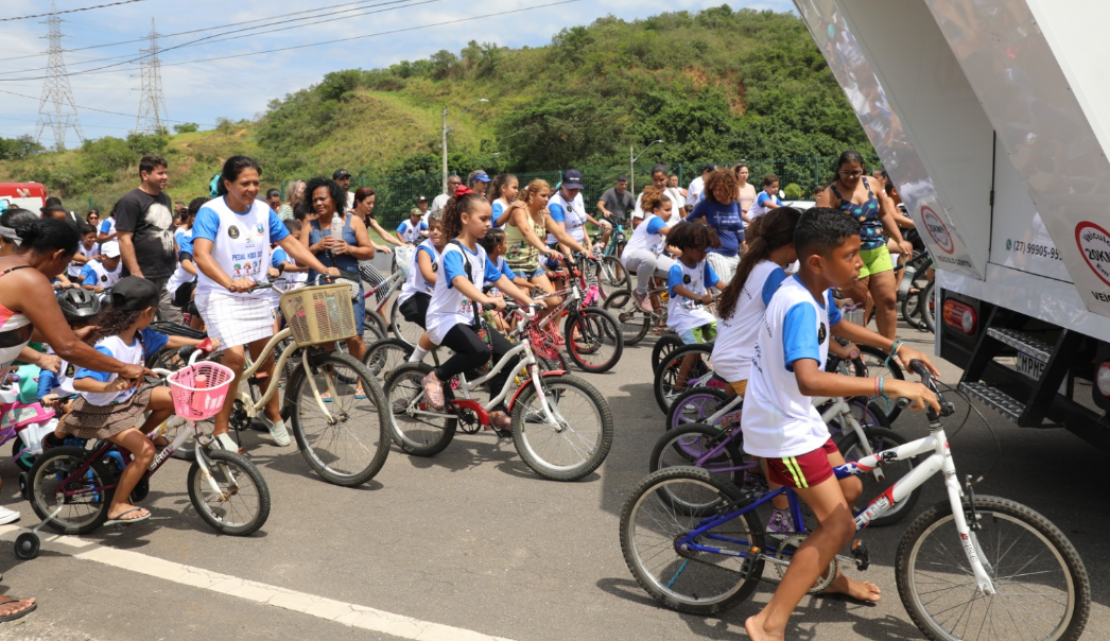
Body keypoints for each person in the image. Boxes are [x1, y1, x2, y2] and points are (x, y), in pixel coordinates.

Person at [741, 208, 940, 641]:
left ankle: (824, 573)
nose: (859, 263)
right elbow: (809, 378)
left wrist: (897, 346)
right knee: (840, 524)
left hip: (796, 416)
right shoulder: (796, 304)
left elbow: (837, 325)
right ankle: (767, 623)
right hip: (781, 430)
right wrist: (889, 386)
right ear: (818, 261)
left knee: (850, 489)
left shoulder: (815, 289)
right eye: (851, 255)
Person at [0, 217, 153, 622]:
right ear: (57, 255)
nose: (62, 274)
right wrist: (124, 368)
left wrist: (45, 351)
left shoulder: (4, 265)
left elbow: (15, 330)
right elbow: (67, 346)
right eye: (64, 266)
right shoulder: (31, 278)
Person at [193, 156, 338, 450]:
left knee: (267, 360)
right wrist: (229, 282)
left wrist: (320, 268)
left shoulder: (263, 211)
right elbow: (201, 255)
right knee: (233, 358)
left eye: (256, 183)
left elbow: (291, 244)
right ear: (228, 184)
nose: (251, 188)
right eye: (244, 183)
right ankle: (220, 431)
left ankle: (273, 416)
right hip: (220, 294)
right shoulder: (211, 212)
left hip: (257, 292)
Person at [46, 277, 210, 526]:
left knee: (175, 398)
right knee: (145, 452)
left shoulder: (140, 335)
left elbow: (168, 341)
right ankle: (117, 504)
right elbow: (81, 382)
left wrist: (202, 343)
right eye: (154, 312)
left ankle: (139, 437)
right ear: (146, 312)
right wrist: (109, 386)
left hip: (127, 398)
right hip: (102, 410)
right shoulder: (108, 346)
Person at [419, 188, 536, 434]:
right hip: (445, 319)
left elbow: (500, 279)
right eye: (482, 219)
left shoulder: (481, 252)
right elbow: (460, 281)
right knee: (480, 352)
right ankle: (436, 376)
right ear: (465, 218)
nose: (488, 224)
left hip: (468, 319)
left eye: (489, 219)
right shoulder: (453, 251)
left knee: (510, 354)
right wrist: (487, 300)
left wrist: (528, 299)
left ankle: (495, 410)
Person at [816, 150, 911, 340]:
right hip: (851, 256)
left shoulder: (873, 183)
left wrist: (900, 239)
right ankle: (855, 350)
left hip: (878, 251)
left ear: (863, 169)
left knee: (889, 301)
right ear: (839, 170)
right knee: (860, 304)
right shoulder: (831, 193)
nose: (851, 177)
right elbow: (821, 227)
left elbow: (885, 214)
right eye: (846, 172)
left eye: (855, 172)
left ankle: (889, 350)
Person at [300, 176, 376, 366]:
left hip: (348, 285)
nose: (318, 203)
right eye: (315, 200)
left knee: (355, 337)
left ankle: (363, 381)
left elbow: (369, 252)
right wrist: (316, 247)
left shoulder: (354, 221)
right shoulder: (309, 226)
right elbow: (299, 259)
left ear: (334, 198)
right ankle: (329, 383)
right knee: (326, 338)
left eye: (322, 198)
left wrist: (349, 249)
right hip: (319, 287)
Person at [114, 154, 183, 323]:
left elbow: (169, 231)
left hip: (168, 273)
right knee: (143, 323)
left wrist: (178, 259)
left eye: (166, 172)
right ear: (145, 175)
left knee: (174, 321)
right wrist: (136, 273)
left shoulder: (165, 198)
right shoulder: (130, 201)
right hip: (144, 275)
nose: (165, 177)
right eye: (160, 173)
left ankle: (176, 350)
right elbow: (124, 239)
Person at [503, 179, 590, 308]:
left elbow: (560, 234)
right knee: (523, 305)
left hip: (532, 265)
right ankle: (516, 328)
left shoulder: (544, 214)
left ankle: (537, 328)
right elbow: (527, 231)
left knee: (553, 302)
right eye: (543, 196)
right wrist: (544, 249)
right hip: (514, 265)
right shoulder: (520, 210)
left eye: (548, 196)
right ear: (532, 195)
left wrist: (582, 249)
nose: (546, 199)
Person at [398, 211, 446, 364]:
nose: (435, 232)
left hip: (431, 297)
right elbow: (428, 275)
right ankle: (412, 363)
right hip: (413, 298)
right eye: (432, 228)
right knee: (440, 327)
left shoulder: (450, 248)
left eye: (440, 228)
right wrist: (458, 284)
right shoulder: (425, 249)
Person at [685, 168, 745, 286]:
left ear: (729, 188)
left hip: (734, 255)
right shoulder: (706, 204)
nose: (717, 192)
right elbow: (687, 221)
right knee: (724, 295)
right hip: (717, 255)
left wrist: (744, 243)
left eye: (720, 189)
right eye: (714, 189)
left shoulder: (735, 203)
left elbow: (739, 226)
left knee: (736, 294)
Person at [622, 187, 675, 313]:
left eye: (671, 209)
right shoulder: (654, 220)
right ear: (656, 210)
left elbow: (669, 246)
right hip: (631, 257)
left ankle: (670, 307)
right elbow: (672, 233)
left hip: (651, 258)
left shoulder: (661, 223)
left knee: (681, 272)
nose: (670, 213)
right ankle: (640, 292)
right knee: (649, 258)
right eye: (667, 210)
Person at [547, 169, 609, 253]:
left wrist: (588, 242)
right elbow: (560, 235)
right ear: (562, 185)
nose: (573, 192)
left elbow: (580, 220)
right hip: (562, 248)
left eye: (576, 189)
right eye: (570, 188)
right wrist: (570, 259)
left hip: (578, 247)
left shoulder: (578, 196)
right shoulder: (555, 203)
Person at [165, 197, 205, 326]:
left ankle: (194, 339)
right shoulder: (189, 236)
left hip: (201, 284)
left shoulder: (217, 235)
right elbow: (185, 262)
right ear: (193, 220)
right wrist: (204, 274)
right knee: (208, 294)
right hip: (182, 286)